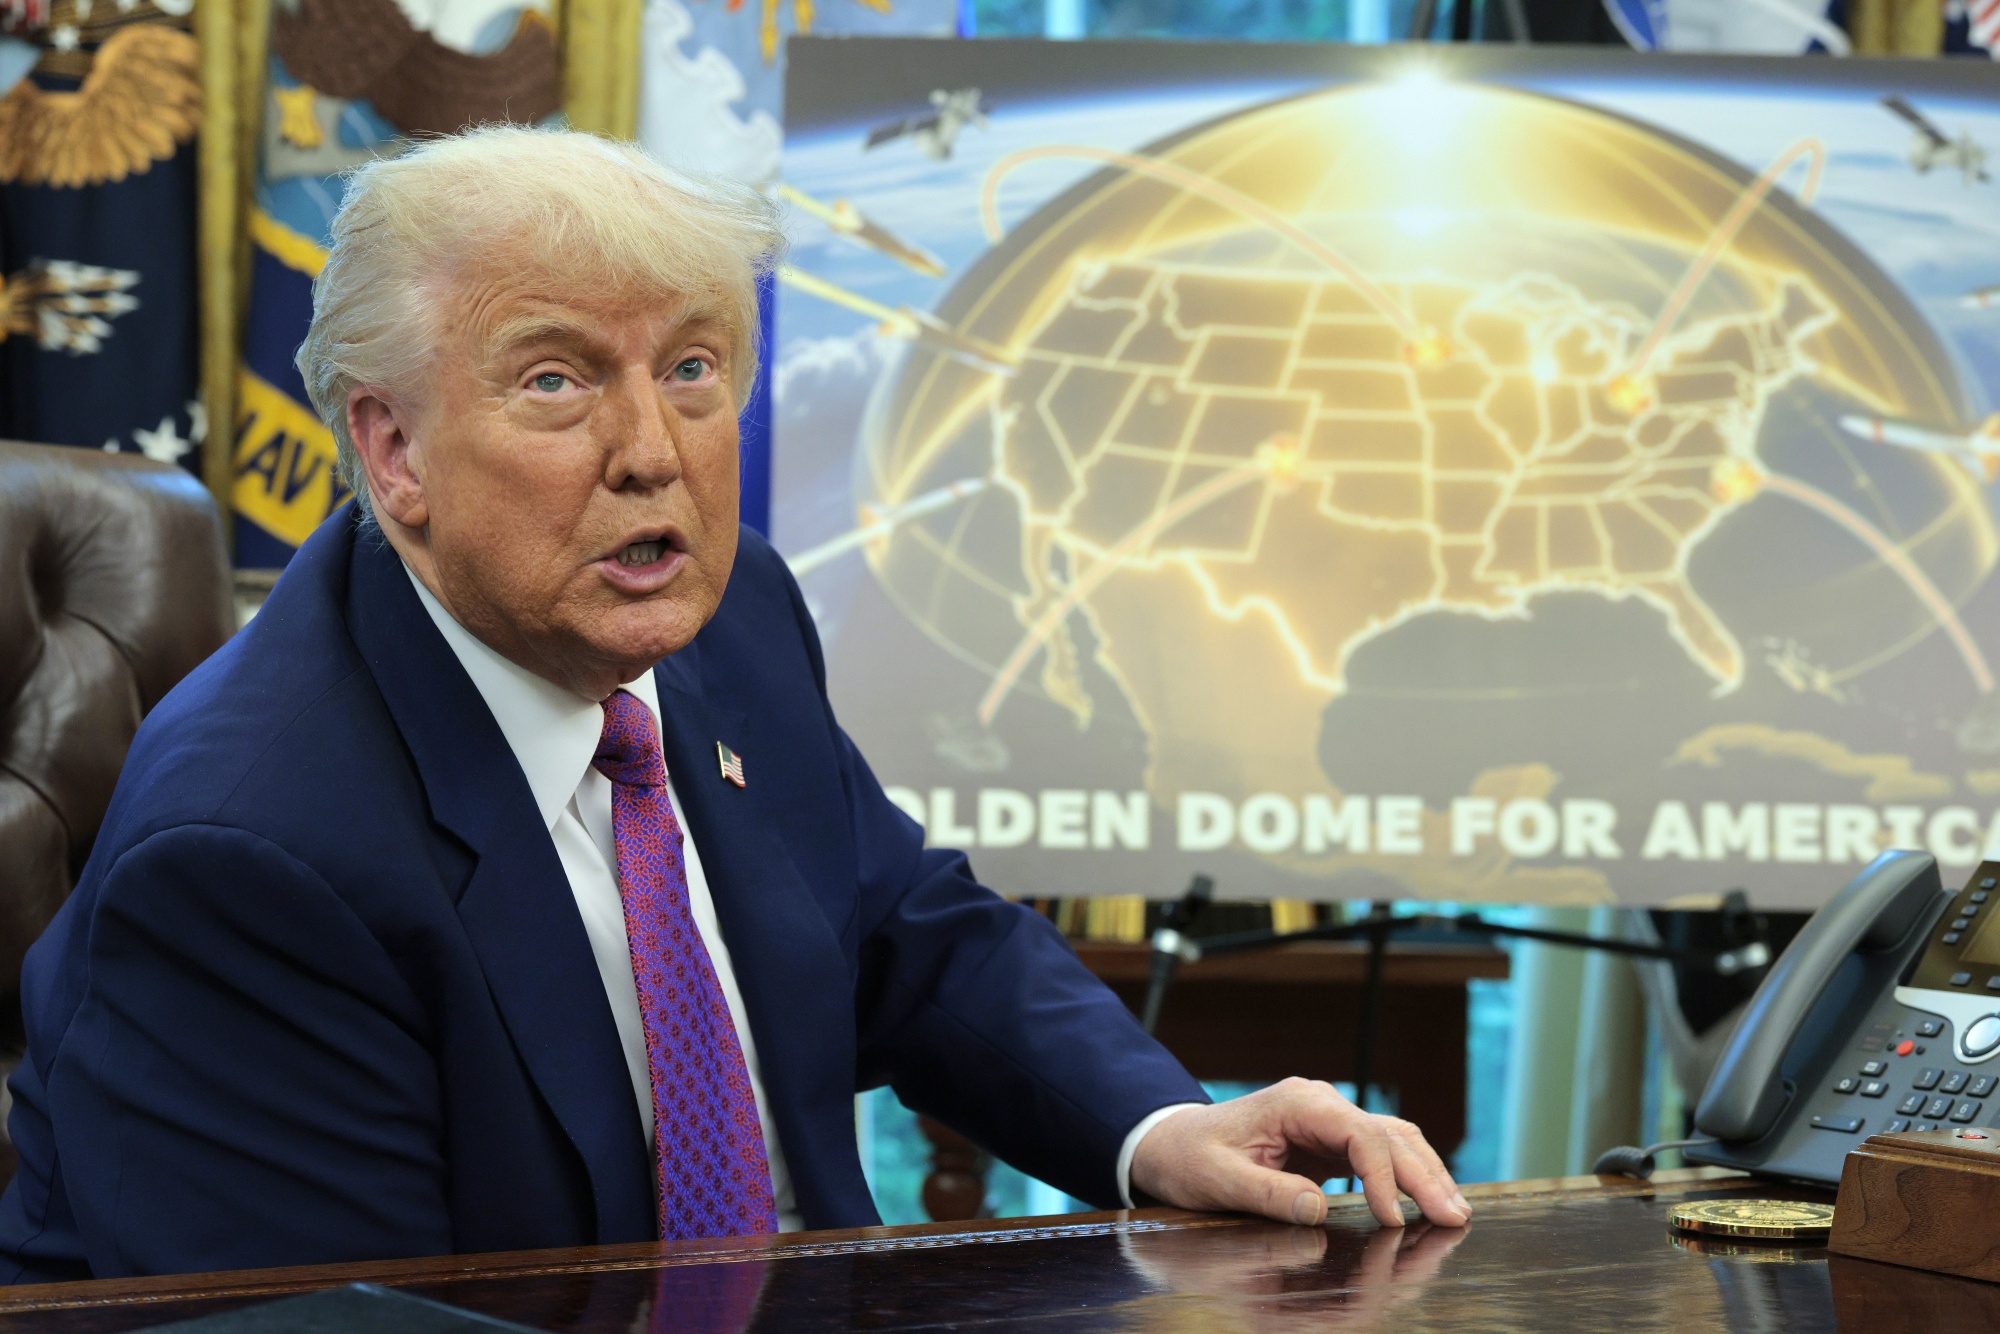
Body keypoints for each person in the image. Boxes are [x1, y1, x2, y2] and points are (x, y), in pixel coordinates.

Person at [0, 127, 1468, 1282]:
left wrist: (1160, 1125)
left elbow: (903, 925)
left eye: (693, 368)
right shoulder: (253, 856)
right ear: (394, 451)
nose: (655, 452)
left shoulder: (727, 614)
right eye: (561, 381)